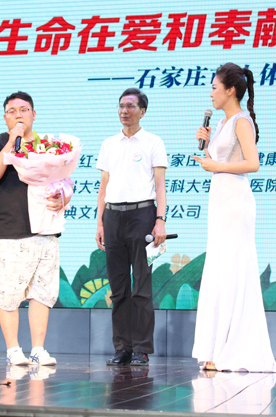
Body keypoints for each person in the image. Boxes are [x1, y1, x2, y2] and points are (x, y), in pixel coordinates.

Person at [191, 63, 276, 373]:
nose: (211, 93)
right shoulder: (222, 123)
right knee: (220, 269)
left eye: (214, 88)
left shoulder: (242, 121)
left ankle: (231, 349)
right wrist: (207, 149)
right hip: (220, 200)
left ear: (230, 90)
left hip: (236, 203)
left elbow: (253, 163)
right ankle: (217, 348)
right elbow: (221, 162)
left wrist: (216, 165)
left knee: (233, 269)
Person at [0, 91, 69, 367]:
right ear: (5, 117)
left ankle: (38, 349)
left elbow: (64, 181)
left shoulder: (48, 146)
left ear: (34, 114)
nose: (18, 115)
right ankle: (13, 350)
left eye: (23, 110)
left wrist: (63, 197)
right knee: (10, 293)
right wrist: (11, 142)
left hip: (45, 230)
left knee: (42, 293)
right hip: (11, 232)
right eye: (12, 111)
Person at [96, 88, 167, 366]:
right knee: (118, 288)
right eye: (121, 106)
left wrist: (160, 220)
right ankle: (122, 348)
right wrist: (100, 221)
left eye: (130, 106)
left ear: (142, 111)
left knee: (141, 287)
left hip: (142, 215)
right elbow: (103, 187)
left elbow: (160, 186)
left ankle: (141, 348)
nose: (124, 111)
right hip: (113, 217)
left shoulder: (153, 142)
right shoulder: (109, 143)